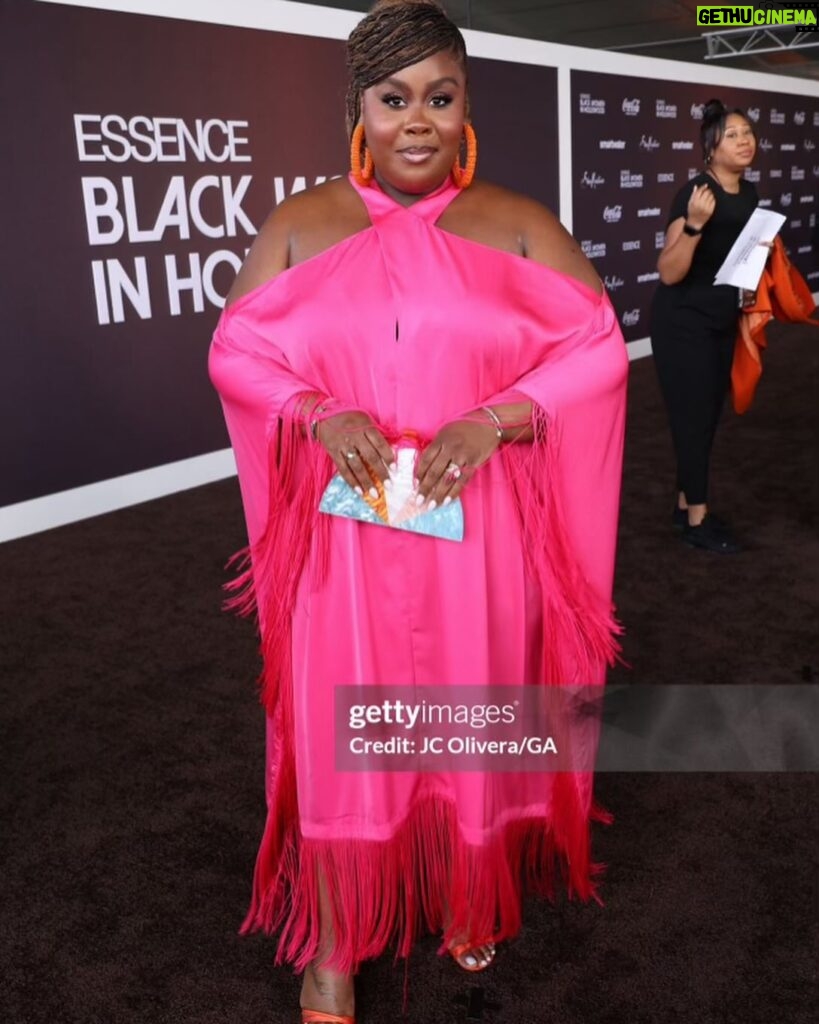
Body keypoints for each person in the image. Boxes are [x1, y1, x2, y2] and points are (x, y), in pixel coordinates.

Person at [208, 1, 628, 1020]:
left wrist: (501, 418)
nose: (419, 122)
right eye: (395, 99)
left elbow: (596, 350)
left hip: (476, 531)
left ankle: (468, 891)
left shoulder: (519, 222)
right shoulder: (302, 224)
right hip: (343, 547)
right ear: (357, 107)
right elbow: (237, 352)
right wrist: (313, 410)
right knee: (338, 726)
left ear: (466, 104)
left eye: (441, 97)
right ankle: (335, 946)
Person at [650, 98, 762, 554]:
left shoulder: (750, 194)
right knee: (692, 421)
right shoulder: (696, 193)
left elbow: (738, 259)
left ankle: (683, 504)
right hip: (682, 324)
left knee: (706, 420)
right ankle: (698, 520)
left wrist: (749, 288)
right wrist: (694, 225)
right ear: (710, 149)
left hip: (720, 320)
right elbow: (669, 271)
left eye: (748, 133)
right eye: (732, 135)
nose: (744, 141)